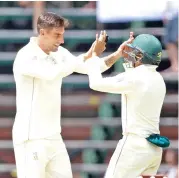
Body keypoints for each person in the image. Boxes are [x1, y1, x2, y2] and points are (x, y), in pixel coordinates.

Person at [12, 12, 129, 178]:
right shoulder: (25, 56)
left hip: (53, 137)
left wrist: (117, 54)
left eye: (62, 35)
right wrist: (90, 55)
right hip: (30, 138)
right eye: (57, 35)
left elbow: (88, 67)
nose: (62, 41)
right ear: (43, 32)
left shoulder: (59, 53)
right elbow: (52, 72)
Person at [86, 34, 170, 178]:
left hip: (134, 146)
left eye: (133, 52)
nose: (128, 54)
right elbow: (130, 73)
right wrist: (120, 53)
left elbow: (95, 83)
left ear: (139, 56)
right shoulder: (158, 78)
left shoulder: (135, 78)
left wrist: (95, 55)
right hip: (154, 150)